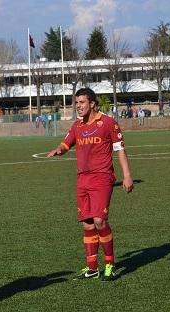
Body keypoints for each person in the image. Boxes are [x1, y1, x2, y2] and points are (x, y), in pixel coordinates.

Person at [47, 88, 133, 282]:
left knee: (99, 221)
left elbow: (120, 150)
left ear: (92, 104)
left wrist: (127, 176)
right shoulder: (77, 126)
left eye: (82, 102)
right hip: (82, 179)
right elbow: (66, 143)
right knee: (87, 224)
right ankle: (92, 268)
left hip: (102, 178)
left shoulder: (108, 123)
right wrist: (59, 150)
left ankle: (110, 265)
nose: (78, 106)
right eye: (76, 103)